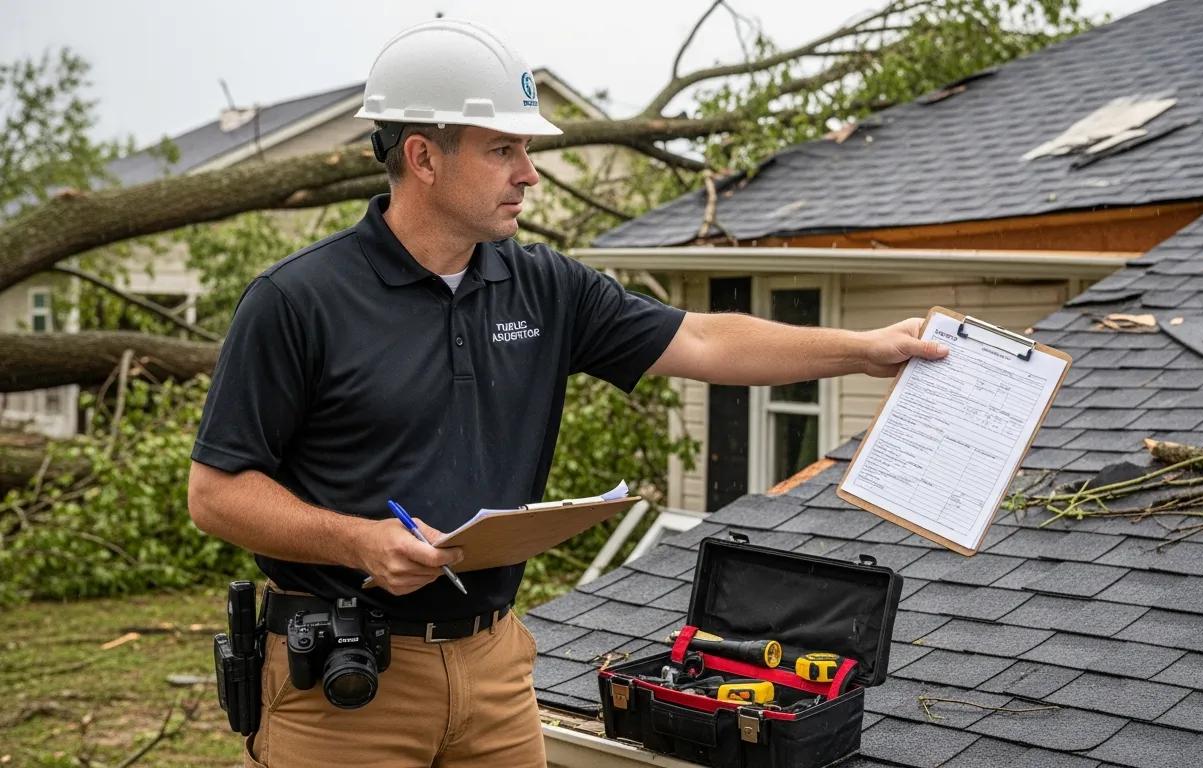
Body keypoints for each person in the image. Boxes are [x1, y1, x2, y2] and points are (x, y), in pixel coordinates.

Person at [187, 18, 948, 768]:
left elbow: (705, 340)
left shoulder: (542, 284)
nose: (529, 173)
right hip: (346, 686)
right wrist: (357, 541)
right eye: (502, 149)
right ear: (422, 156)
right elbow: (215, 494)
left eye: (527, 149)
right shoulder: (298, 300)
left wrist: (863, 349)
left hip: (495, 668)